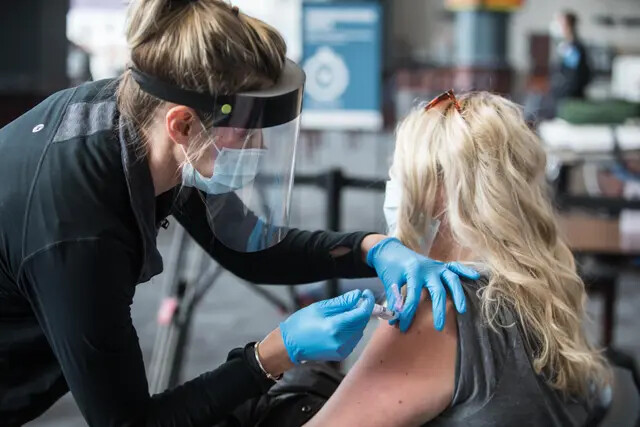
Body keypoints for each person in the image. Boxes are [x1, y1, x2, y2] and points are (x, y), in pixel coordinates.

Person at [0, 1, 479, 426]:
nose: (260, 143)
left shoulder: (148, 125)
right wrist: (270, 356)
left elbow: (251, 245)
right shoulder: (80, 234)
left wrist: (372, 249)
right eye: (248, 130)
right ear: (182, 124)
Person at [306, 91, 611, 426]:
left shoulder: (438, 309)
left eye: (399, 173)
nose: (394, 187)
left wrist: (269, 360)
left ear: (441, 190)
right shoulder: (538, 292)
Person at [550, 10, 592, 100]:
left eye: (560, 23)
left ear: (568, 26)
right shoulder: (564, 46)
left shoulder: (574, 48)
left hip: (570, 97)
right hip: (562, 94)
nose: (556, 26)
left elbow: (574, 76)